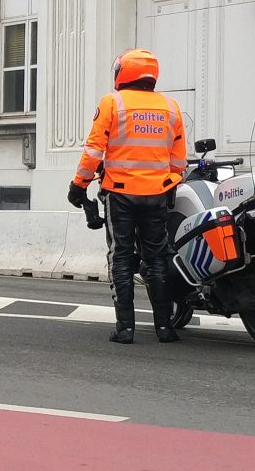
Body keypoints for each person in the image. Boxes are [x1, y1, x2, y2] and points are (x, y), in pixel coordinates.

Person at [67, 49, 186, 345]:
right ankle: (164, 329)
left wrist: (79, 185)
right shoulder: (171, 107)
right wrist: (166, 183)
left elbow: (94, 150)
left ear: (123, 73)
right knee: (157, 259)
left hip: (120, 195)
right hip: (156, 195)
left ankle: (126, 328)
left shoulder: (112, 103)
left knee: (120, 256)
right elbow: (178, 160)